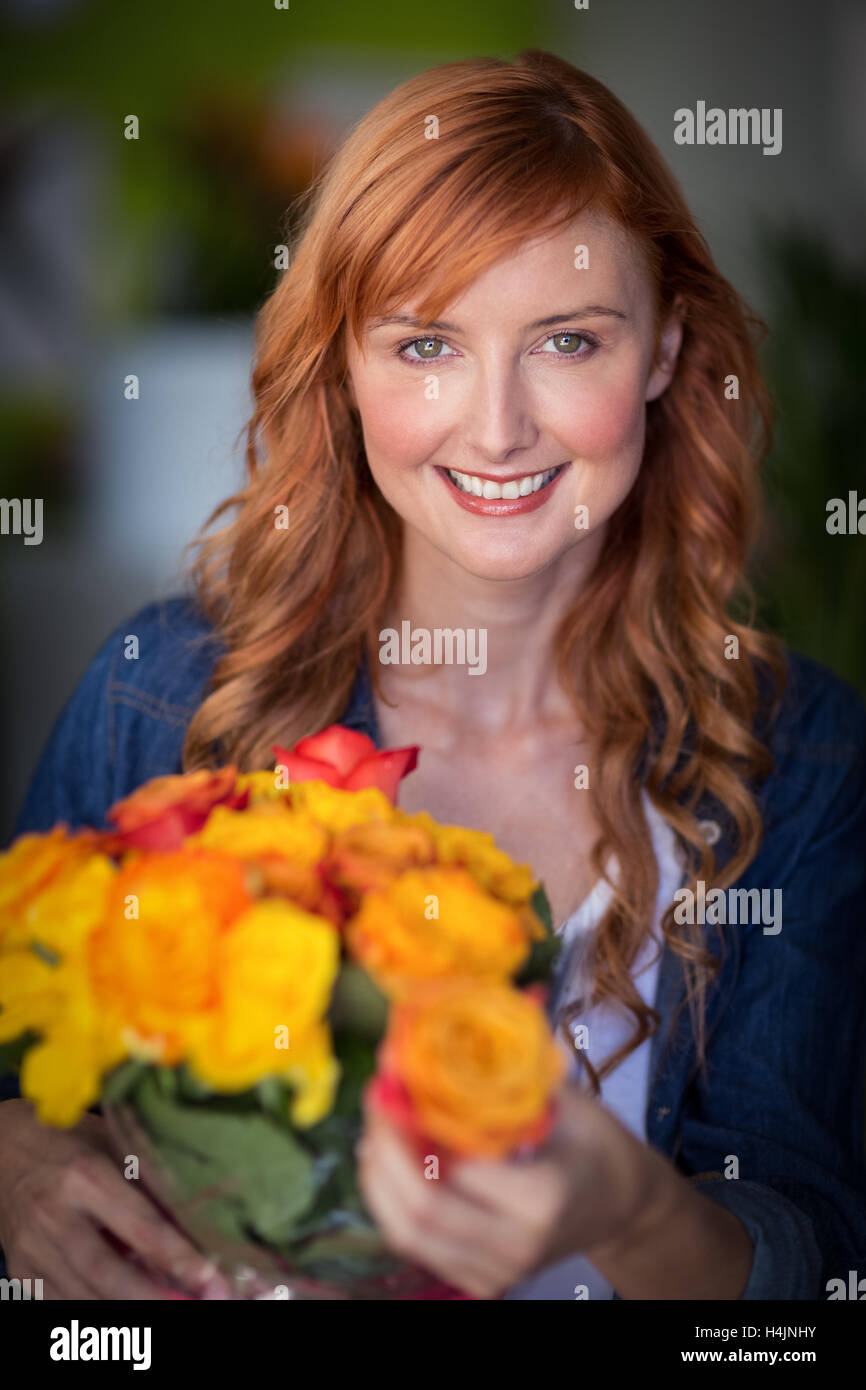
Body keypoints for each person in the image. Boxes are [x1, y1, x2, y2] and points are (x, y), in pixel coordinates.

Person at [1, 49, 865, 1301]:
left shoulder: (807, 755)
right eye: (425, 345)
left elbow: (815, 1274)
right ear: (344, 365)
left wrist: (624, 1205)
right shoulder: (161, 691)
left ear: (667, 351)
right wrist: (17, 1162)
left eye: (567, 340)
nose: (497, 424)